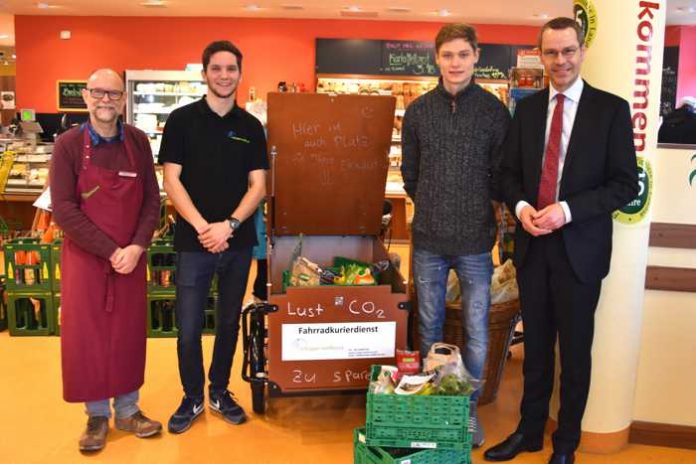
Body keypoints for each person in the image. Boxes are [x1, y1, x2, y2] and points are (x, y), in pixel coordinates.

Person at [485, 18, 639, 464]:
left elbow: (624, 185)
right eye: (551, 53)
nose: (560, 61)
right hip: (533, 249)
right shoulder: (529, 111)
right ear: (541, 55)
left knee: (574, 353)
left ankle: (565, 443)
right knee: (535, 351)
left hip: (580, 254)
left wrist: (567, 210)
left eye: (568, 51)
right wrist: (520, 208)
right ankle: (529, 433)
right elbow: (508, 175)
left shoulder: (610, 110)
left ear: (582, 50)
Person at [400, 23, 511, 448]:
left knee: (476, 329)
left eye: (463, 55)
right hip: (427, 239)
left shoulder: (493, 112)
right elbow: (410, 173)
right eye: (448, 55)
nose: (455, 63)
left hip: (475, 243)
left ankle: (465, 410)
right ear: (437, 58)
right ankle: (436, 408)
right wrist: (431, 201)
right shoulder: (419, 111)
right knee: (428, 326)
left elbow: (501, 175)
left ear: (476, 57)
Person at [50, 69, 162, 452]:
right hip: (86, 260)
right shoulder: (67, 145)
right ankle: (97, 415)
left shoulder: (138, 142)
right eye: (98, 92)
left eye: (113, 93)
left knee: (129, 333)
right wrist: (111, 250)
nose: (106, 100)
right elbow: (63, 209)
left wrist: (137, 246)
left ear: (124, 99)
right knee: (89, 336)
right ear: (85, 96)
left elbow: (151, 200)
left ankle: (129, 410)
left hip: (131, 259)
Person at [159, 40, 268, 434]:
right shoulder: (181, 120)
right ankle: (191, 397)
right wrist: (205, 227)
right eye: (217, 68)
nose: (224, 75)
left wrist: (231, 226)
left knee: (228, 323)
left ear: (240, 73)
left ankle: (220, 390)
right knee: (188, 328)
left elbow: (258, 185)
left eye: (231, 68)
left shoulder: (250, 127)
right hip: (193, 243)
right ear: (204, 73)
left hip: (236, 244)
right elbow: (171, 179)